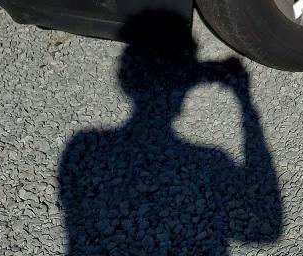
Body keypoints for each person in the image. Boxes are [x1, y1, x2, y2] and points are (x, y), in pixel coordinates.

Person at [57, 13, 283, 255]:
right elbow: (267, 227)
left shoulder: (84, 148)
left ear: (125, 80)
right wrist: (244, 101)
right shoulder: (211, 161)